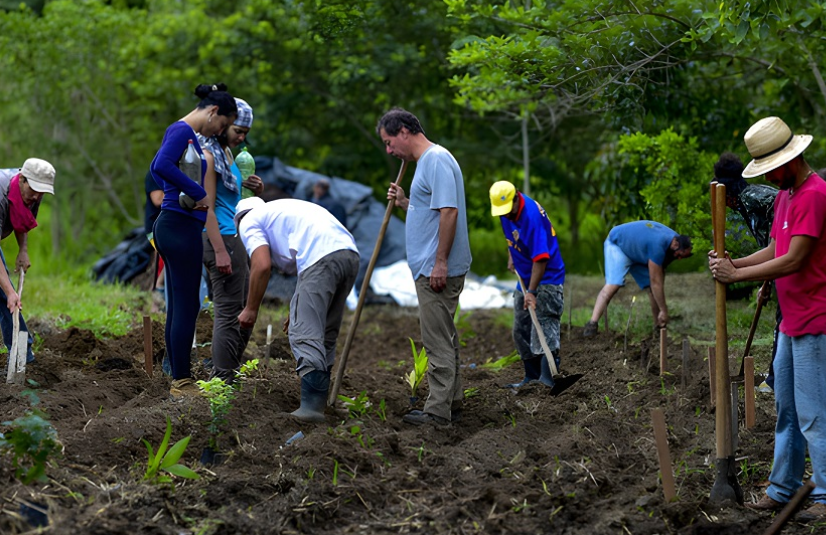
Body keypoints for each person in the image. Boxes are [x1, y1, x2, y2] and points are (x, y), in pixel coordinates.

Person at [710, 116, 826, 522]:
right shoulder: (785, 195)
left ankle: (825, 497)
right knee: (787, 408)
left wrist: (736, 276)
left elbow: (794, 259)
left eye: (773, 168)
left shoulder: (813, 194)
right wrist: (733, 261)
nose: (771, 176)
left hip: (817, 318)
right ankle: (783, 488)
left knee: (813, 411)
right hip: (791, 320)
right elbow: (776, 245)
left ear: (790, 159)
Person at [380, 107, 472, 427]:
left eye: (390, 142)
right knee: (444, 335)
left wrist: (440, 262)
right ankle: (452, 402)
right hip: (430, 266)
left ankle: (437, 414)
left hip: (436, 269)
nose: (390, 150)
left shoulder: (436, 160)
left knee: (435, 340)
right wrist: (406, 202)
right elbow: (431, 212)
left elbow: (449, 212)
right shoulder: (426, 164)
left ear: (404, 132)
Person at [235, 197, 359, 422]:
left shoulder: (248, 221)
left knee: (304, 333)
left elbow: (261, 265)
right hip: (348, 253)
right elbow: (306, 271)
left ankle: (311, 408)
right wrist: (296, 308)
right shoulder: (281, 214)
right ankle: (320, 403)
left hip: (321, 256)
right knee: (324, 331)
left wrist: (251, 309)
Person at [150, 83, 237, 399]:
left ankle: (178, 378)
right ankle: (182, 383)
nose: (220, 131)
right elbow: (159, 166)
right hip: (179, 227)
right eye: (223, 125)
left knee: (180, 306)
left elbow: (164, 172)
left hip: (178, 225)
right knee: (187, 306)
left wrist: (179, 194)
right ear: (214, 112)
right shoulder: (182, 130)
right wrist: (197, 193)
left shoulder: (187, 135)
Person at [198, 98, 264, 382]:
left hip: (232, 236)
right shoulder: (208, 154)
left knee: (245, 306)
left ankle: (226, 370)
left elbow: (229, 200)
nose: (241, 137)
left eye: (245, 133)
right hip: (221, 238)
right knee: (228, 312)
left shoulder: (227, 154)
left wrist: (252, 189)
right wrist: (220, 250)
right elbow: (207, 205)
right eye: (237, 129)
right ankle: (223, 378)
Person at [713, 152, 781, 392]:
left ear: (727, 194)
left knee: (784, 323)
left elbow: (778, 246)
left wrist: (736, 269)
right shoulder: (747, 199)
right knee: (782, 322)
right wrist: (767, 282)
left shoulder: (754, 199)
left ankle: (775, 380)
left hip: (797, 263)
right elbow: (772, 246)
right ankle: (776, 378)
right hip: (783, 263)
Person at [489, 181, 565, 389]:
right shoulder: (506, 212)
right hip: (525, 275)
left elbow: (541, 258)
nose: (506, 216)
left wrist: (532, 292)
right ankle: (531, 378)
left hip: (547, 277)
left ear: (516, 198)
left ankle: (548, 378)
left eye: (508, 210)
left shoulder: (531, 217)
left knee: (543, 325)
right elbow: (511, 237)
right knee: (520, 327)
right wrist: (512, 256)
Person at [583, 220, 693, 337]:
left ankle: (658, 328)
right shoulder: (659, 245)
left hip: (638, 253)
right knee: (614, 284)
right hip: (618, 244)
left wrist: (662, 309)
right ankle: (592, 324)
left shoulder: (675, 243)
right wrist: (664, 310)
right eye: (680, 255)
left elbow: (658, 278)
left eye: (684, 257)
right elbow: (656, 281)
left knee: (652, 289)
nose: (679, 259)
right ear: (676, 244)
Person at [0, 158, 55, 365]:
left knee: (6, 297)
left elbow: (21, 220)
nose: (37, 196)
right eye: (34, 189)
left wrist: (23, 251)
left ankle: (22, 355)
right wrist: (9, 291)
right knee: (4, 293)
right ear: (22, 179)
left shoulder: (33, 194)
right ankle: (24, 355)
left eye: (42, 192)